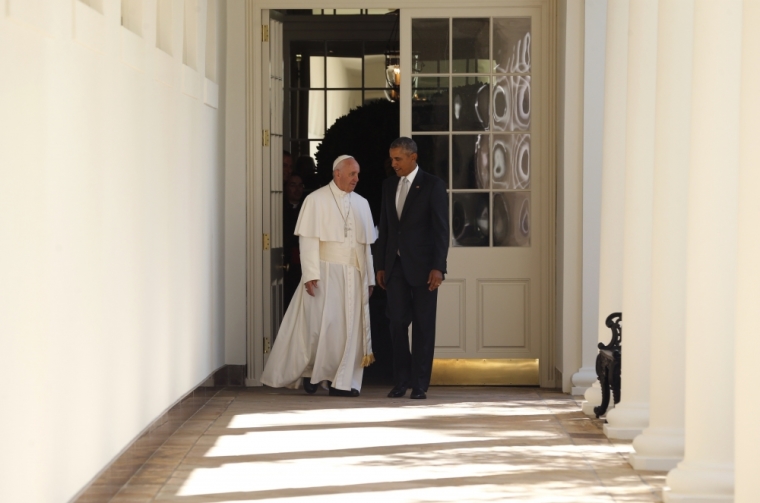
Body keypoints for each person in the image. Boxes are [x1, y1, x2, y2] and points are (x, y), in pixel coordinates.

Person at [261, 155, 377, 397]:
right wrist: (311, 274)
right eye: (352, 174)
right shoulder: (315, 200)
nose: (357, 178)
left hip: (354, 275)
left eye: (357, 174)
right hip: (325, 272)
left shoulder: (362, 203)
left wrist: (370, 279)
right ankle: (312, 372)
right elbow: (309, 240)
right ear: (337, 174)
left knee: (349, 330)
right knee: (321, 327)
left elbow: (366, 246)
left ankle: (343, 382)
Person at [375, 137, 449, 400]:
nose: (393, 164)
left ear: (413, 157)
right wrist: (381, 265)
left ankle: (419, 384)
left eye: (398, 159)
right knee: (396, 323)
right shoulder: (388, 185)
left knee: (423, 326)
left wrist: (438, 267)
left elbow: (442, 230)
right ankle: (400, 381)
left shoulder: (433, 185)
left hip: (424, 269)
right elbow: (385, 228)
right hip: (394, 267)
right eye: (392, 158)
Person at [283, 173, 305, 306]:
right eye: (293, 185)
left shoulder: (306, 207)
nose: (297, 189)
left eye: (300, 185)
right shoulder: (279, 208)